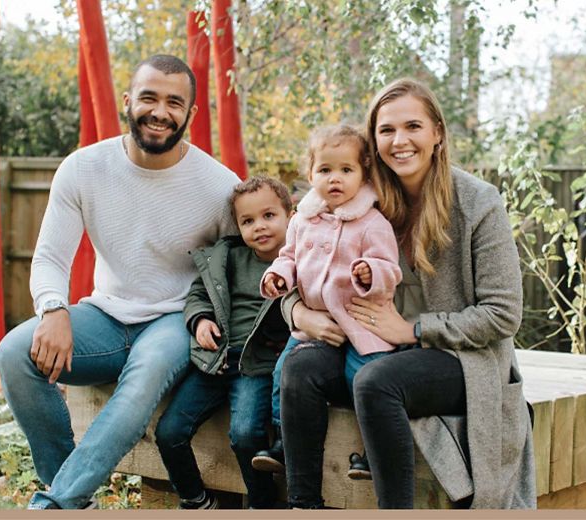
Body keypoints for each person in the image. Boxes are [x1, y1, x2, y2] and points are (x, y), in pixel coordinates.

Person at [0, 55, 241, 510]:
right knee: (13, 353)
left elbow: (245, 268)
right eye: (149, 97)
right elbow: (50, 255)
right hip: (107, 313)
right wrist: (53, 308)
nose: (160, 111)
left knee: (144, 377)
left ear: (191, 113)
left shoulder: (219, 187)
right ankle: (68, 492)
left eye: (174, 102)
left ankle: (57, 504)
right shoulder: (83, 168)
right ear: (128, 101)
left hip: (177, 319)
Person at [278, 79, 537, 509]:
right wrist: (297, 313)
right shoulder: (356, 197)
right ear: (372, 141)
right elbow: (297, 260)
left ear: (437, 133)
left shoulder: (477, 203)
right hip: (364, 338)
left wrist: (413, 329)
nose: (400, 141)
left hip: (460, 357)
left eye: (413, 126)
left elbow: (502, 314)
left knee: (377, 382)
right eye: (386, 130)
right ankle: (303, 505)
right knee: (301, 368)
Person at [251, 125, 403, 479]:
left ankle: (371, 450)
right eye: (325, 170)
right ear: (310, 174)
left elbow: (390, 269)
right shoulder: (302, 220)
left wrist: (371, 273)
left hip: (361, 322)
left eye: (346, 170)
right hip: (314, 325)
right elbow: (288, 257)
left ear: (363, 173)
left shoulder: (372, 223)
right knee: (282, 374)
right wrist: (279, 276)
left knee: (366, 378)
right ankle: (283, 443)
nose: (335, 179)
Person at [153, 177, 294, 510]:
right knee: (170, 432)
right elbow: (199, 294)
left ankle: (262, 505)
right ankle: (196, 499)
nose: (259, 227)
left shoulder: (300, 263)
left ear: (291, 214)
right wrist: (200, 320)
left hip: (257, 365)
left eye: (269, 216)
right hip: (215, 359)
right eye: (248, 221)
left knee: (246, 437)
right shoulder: (228, 258)